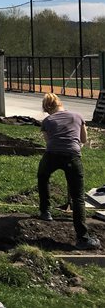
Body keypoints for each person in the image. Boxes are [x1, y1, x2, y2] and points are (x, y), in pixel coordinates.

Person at [37, 93, 100, 249]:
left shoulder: (47, 121)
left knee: (42, 176)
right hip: (72, 156)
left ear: (47, 108)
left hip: (52, 154)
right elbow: (83, 140)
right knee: (77, 196)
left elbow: (49, 141)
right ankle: (83, 239)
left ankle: (45, 211)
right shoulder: (78, 117)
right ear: (60, 103)